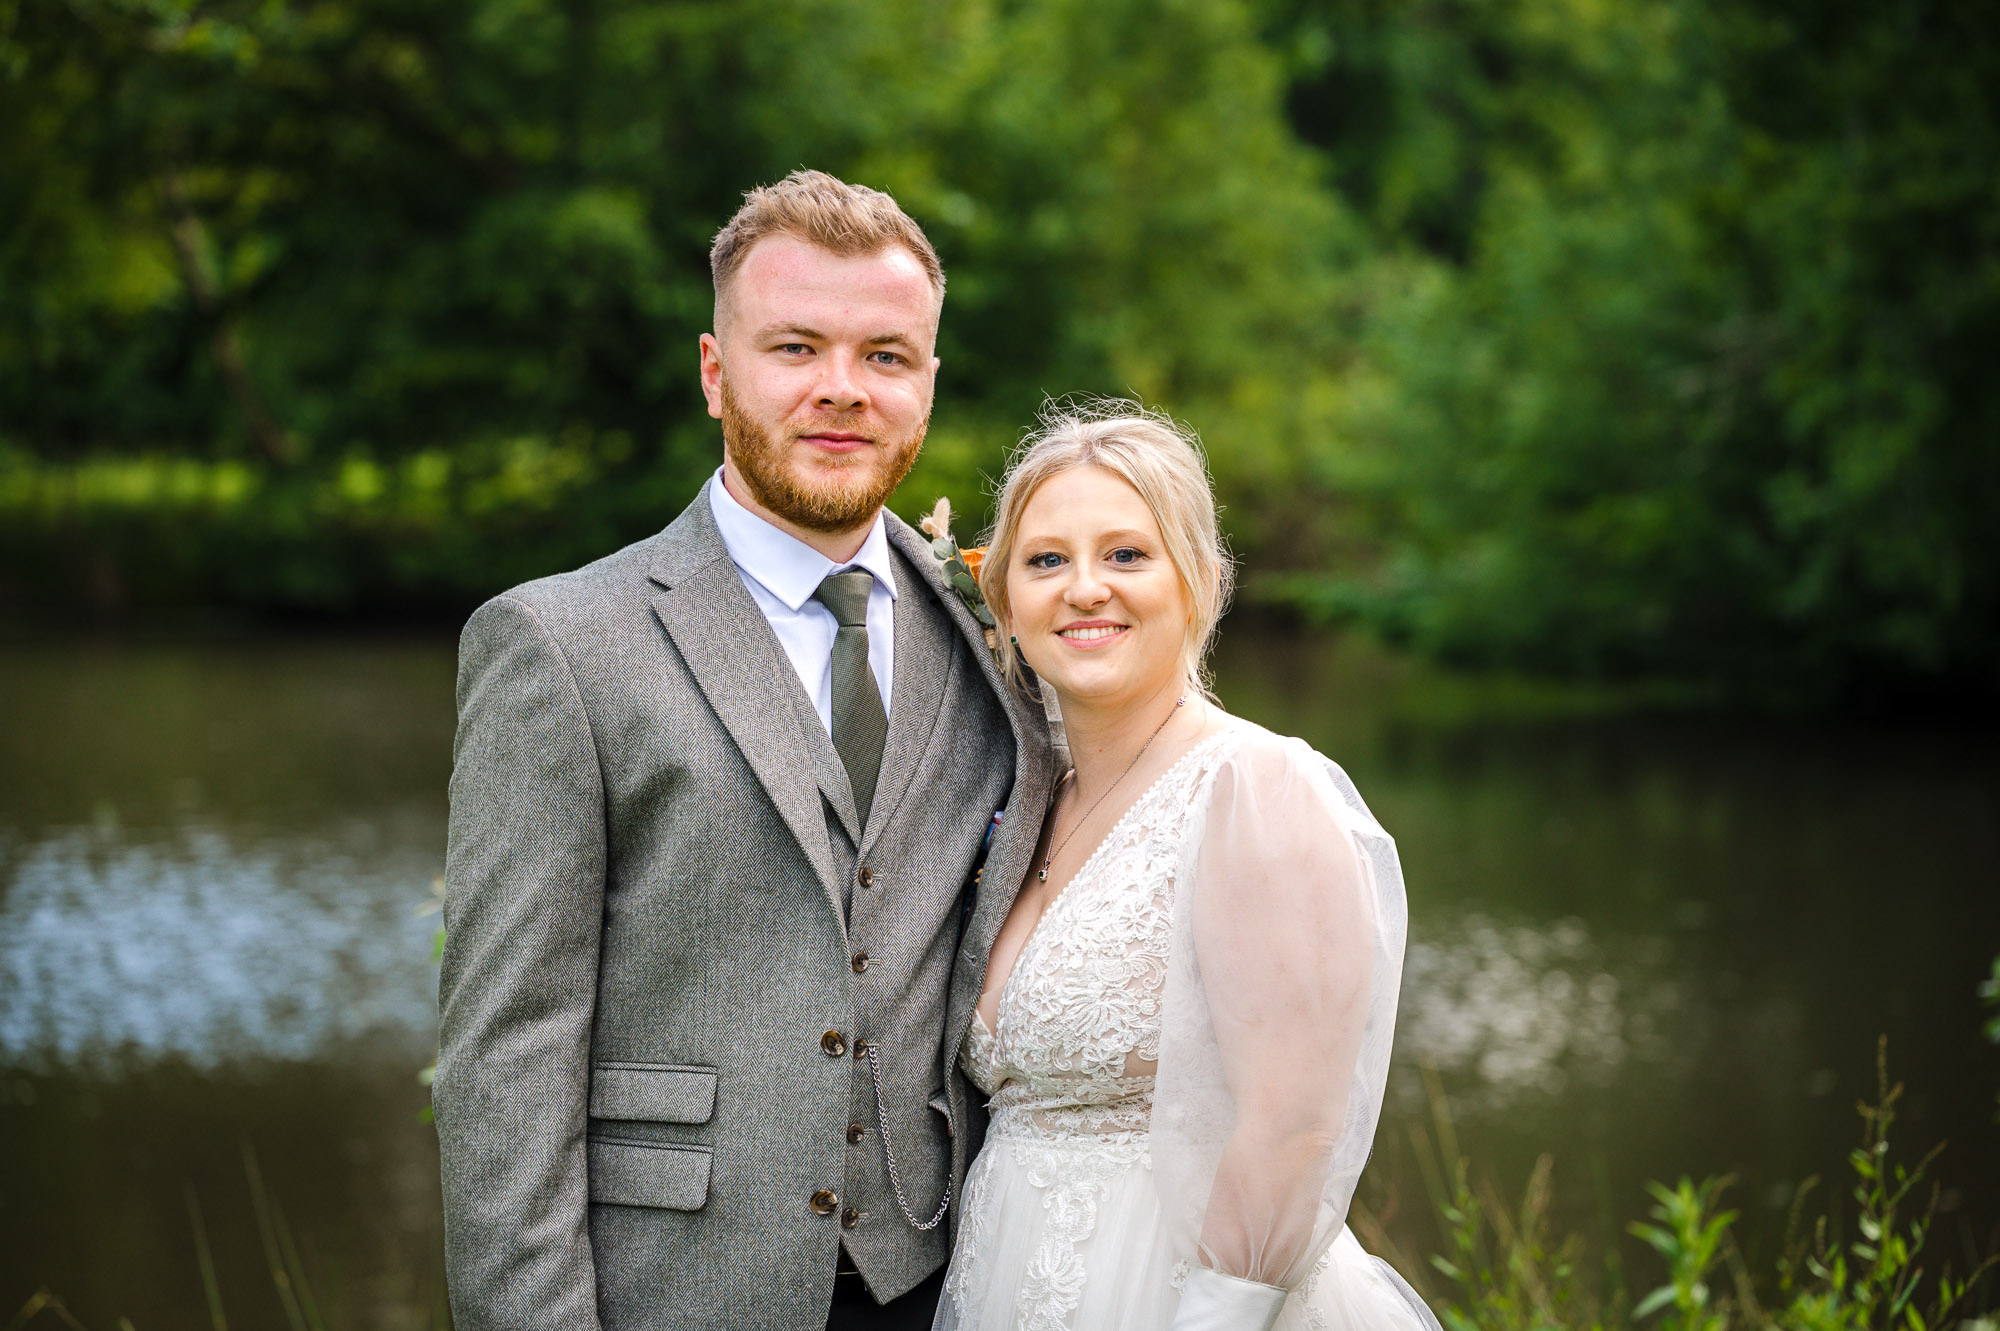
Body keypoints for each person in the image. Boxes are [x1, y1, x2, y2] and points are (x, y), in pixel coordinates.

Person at [435, 170, 1056, 1331]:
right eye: (795, 347)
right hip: (674, 1288)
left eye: (883, 356)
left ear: (927, 383)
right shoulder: (560, 643)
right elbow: (506, 1054)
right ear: (717, 373)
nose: (840, 389)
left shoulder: (991, 626)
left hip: (946, 1279)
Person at [934, 403, 1440, 1331]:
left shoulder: (1257, 788)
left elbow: (1293, 1124)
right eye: (1047, 560)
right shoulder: (1022, 799)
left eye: (1127, 554)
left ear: (1201, 582)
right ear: (1003, 597)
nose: (1086, 587)